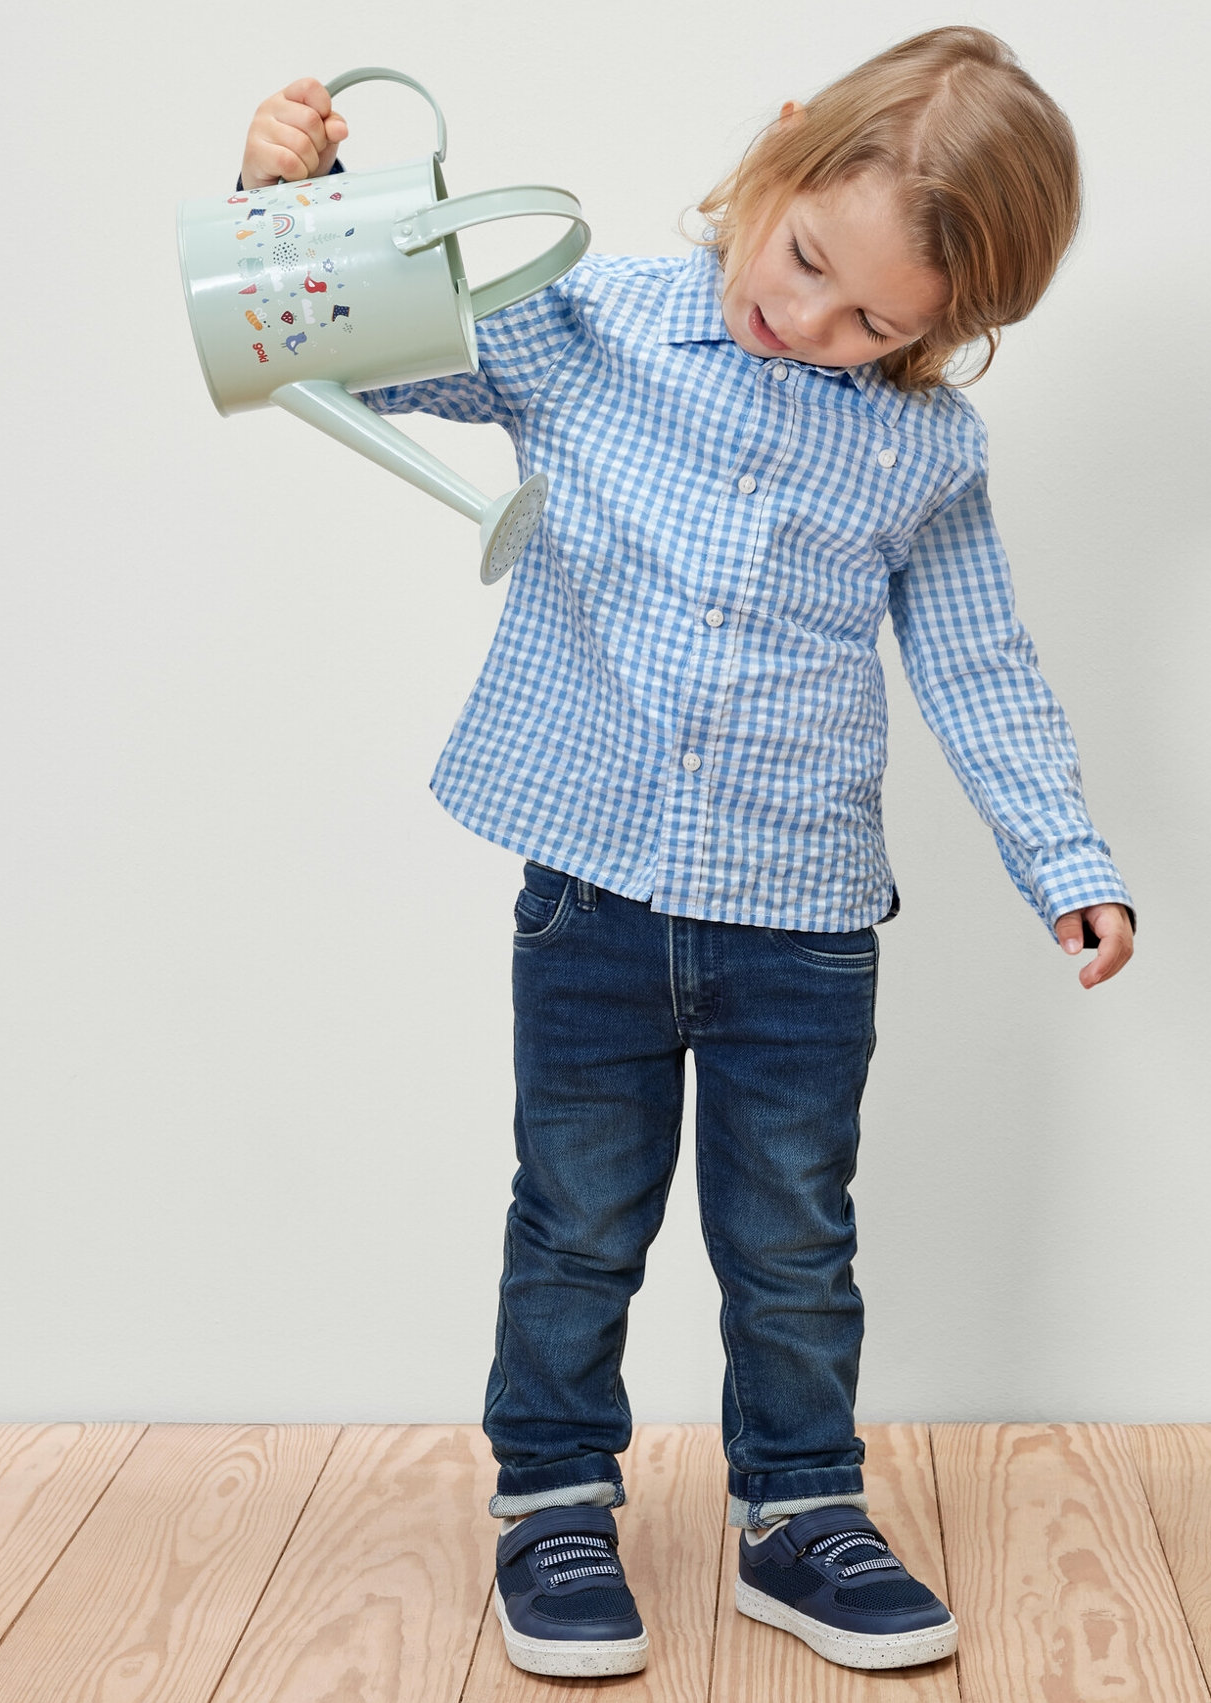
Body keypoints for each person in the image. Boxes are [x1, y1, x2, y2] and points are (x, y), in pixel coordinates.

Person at [237, 25, 1135, 1678]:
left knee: (794, 1233)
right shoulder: (582, 326)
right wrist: (294, 200)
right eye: (802, 261)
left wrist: (1062, 852)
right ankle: (554, 1502)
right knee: (577, 1216)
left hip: (801, 923)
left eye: (875, 320)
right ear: (779, 153)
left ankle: (802, 1509)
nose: (805, 322)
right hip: (592, 888)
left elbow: (978, 662)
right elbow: (354, 359)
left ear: (952, 334)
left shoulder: (921, 452)